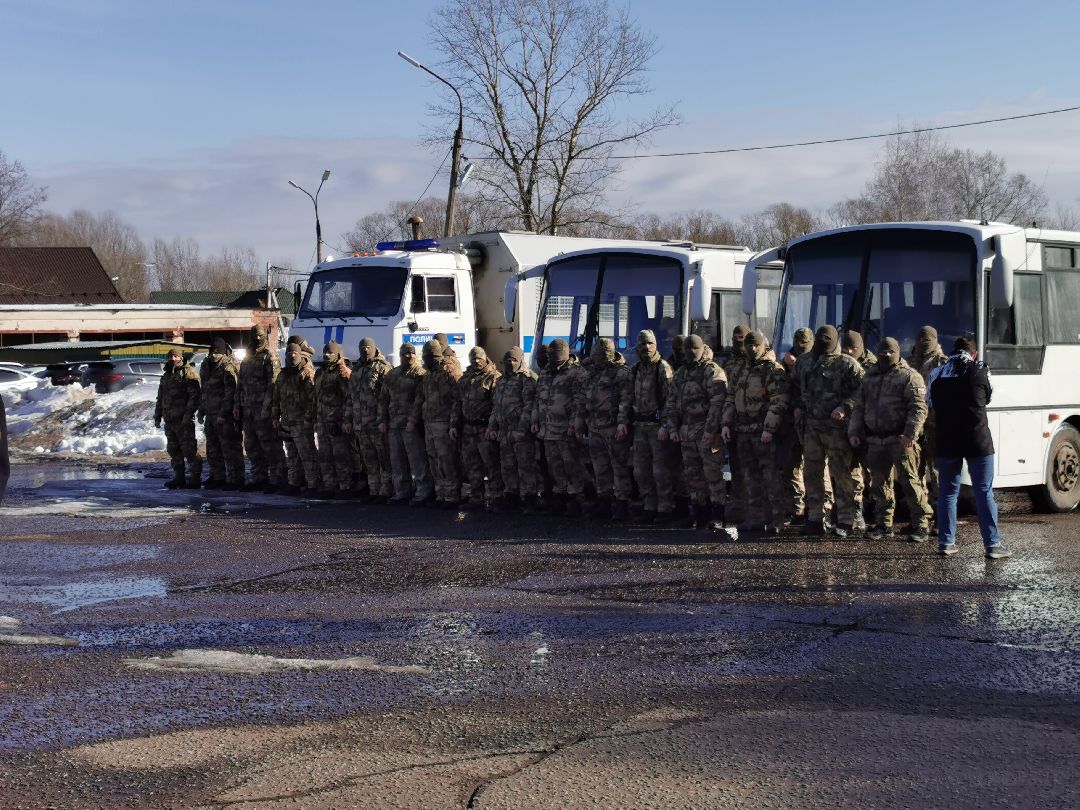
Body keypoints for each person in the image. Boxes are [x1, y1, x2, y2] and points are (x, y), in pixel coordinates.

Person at [927, 335, 1010, 558]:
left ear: (952, 351)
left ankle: (946, 543)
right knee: (983, 492)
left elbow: (930, 403)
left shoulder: (936, 373)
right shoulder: (981, 370)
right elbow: (988, 397)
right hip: (977, 439)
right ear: (974, 353)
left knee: (947, 493)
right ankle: (992, 546)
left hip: (947, 439)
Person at [848, 338, 933, 542]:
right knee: (879, 484)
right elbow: (859, 406)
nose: (886, 355)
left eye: (890, 351)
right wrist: (854, 431)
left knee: (910, 481)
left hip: (901, 439)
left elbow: (919, 408)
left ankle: (920, 523)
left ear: (897, 352)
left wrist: (910, 434)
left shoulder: (910, 377)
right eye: (883, 351)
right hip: (876, 440)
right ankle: (883, 523)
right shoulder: (869, 378)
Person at [791, 325, 865, 537]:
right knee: (812, 474)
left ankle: (846, 520)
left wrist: (846, 406)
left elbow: (862, 390)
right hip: (811, 427)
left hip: (837, 430)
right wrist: (797, 407)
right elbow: (794, 387)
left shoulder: (847, 363)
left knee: (841, 474)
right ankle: (815, 518)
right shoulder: (804, 362)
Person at [721, 330, 789, 537]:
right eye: (748, 345)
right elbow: (731, 397)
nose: (751, 349)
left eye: (755, 345)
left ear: (763, 347)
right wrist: (726, 423)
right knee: (749, 476)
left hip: (762, 431)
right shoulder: (741, 369)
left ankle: (778, 518)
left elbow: (779, 400)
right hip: (743, 430)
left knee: (771, 476)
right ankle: (756, 517)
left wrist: (769, 429)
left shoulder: (773, 370)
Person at [662, 334, 727, 529]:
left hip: (706, 431)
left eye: (694, 350)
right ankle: (700, 513)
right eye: (687, 350)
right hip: (686, 431)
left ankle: (718, 515)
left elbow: (717, 403)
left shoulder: (712, 371)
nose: (690, 354)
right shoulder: (681, 373)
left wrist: (711, 429)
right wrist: (672, 428)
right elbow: (671, 402)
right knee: (692, 475)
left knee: (712, 473)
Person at [619, 329, 676, 524]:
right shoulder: (634, 370)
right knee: (640, 471)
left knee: (660, 470)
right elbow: (626, 399)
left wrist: (666, 424)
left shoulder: (662, 368)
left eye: (650, 343)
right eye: (643, 344)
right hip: (639, 426)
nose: (646, 347)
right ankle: (649, 505)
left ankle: (665, 508)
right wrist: (622, 422)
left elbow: (670, 400)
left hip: (657, 427)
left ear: (656, 345)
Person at [532, 338, 588, 516]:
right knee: (554, 466)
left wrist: (575, 425)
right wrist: (535, 420)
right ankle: (560, 496)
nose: (551, 358)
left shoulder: (577, 373)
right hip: (547, 430)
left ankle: (576, 498)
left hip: (566, 430)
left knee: (571, 465)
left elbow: (580, 402)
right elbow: (538, 399)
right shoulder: (546, 373)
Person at [578, 337, 632, 521]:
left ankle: (622, 503)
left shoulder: (621, 374)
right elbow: (584, 397)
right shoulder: (591, 373)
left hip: (613, 427)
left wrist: (622, 422)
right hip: (594, 426)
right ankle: (604, 500)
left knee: (618, 466)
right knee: (600, 467)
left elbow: (626, 400)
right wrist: (583, 421)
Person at [487, 346, 542, 514]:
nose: (510, 363)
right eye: (508, 360)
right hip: (505, 432)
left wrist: (522, 429)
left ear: (520, 361)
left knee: (525, 466)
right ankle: (512, 496)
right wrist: (492, 426)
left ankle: (530, 498)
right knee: (507, 466)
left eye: (514, 360)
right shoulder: (502, 381)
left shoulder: (527, 379)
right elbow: (496, 407)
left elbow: (529, 406)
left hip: (520, 433)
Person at [379, 343, 432, 505]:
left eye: (411, 353)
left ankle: (423, 492)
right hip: (393, 425)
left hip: (411, 426)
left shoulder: (420, 374)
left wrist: (413, 421)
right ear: (400, 355)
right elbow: (383, 399)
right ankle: (402, 492)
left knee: (417, 462)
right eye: (405, 353)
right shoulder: (392, 375)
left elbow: (420, 400)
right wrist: (381, 420)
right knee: (397, 462)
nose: (408, 356)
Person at [236, 325, 286, 493]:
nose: (257, 339)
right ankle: (259, 478)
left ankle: (278, 479)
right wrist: (237, 405)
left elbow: (273, 385)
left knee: (270, 445)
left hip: (263, 410)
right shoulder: (247, 357)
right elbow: (240, 383)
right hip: (248, 409)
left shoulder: (270, 357)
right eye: (254, 336)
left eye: (260, 335)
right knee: (251, 445)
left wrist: (267, 408)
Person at [452, 346, 503, 510]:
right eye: (473, 358)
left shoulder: (494, 377)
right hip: (468, 428)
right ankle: (477, 497)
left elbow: (498, 405)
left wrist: (493, 427)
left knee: (492, 464)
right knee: (472, 465)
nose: (476, 361)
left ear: (485, 358)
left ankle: (496, 497)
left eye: (479, 358)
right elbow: (457, 403)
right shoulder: (465, 379)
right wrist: (454, 424)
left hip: (485, 429)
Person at [414, 340, 463, 508]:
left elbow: (458, 398)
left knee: (446, 459)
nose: (428, 359)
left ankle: (452, 495)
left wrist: (454, 423)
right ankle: (440, 493)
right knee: (433, 458)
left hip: (444, 422)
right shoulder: (428, 374)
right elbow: (423, 399)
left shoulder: (448, 369)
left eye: (432, 356)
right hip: (429, 422)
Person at [345, 337, 393, 503]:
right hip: (360, 424)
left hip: (376, 423)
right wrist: (348, 420)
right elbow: (350, 397)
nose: (365, 350)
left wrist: (383, 420)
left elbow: (387, 397)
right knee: (368, 460)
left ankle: (386, 491)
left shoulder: (383, 367)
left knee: (383, 459)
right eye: (363, 347)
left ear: (374, 348)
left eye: (368, 347)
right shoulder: (357, 369)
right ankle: (374, 491)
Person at [272, 340, 321, 495]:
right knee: (292, 455)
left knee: (307, 454)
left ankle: (313, 484)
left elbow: (312, 399)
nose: (292, 356)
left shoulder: (307, 373)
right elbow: (276, 397)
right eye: (289, 353)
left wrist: (308, 418)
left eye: (295, 353)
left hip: (301, 422)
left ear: (300, 354)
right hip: (287, 422)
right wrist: (275, 416)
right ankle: (294, 483)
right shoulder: (283, 374)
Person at [778, 327, 815, 522]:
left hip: (812, 424)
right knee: (792, 467)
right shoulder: (786, 361)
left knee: (814, 468)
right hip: (791, 424)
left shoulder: (817, 361)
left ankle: (817, 511)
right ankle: (796, 509)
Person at [198, 338, 244, 490]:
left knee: (229, 447)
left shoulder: (228, 367)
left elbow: (231, 393)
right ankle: (217, 476)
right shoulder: (206, 366)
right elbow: (203, 390)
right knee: (212, 448)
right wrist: (201, 410)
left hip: (225, 415)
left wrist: (224, 413)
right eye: (212, 352)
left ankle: (234, 478)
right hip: (210, 414)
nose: (214, 355)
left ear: (224, 353)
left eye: (218, 352)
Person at [154, 348, 203, 489]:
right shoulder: (166, 376)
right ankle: (179, 477)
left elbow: (194, 396)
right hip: (169, 420)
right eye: (171, 356)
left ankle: (195, 478)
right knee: (173, 449)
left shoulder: (188, 373)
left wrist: (188, 415)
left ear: (181, 357)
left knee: (189, 449)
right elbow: (160, 398)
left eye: (176, 356)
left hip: (183, 419)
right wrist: (157, 416)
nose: (173, 359)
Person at [313, 341, 354, 498]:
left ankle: (345, 486)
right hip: (322, 420)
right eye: (325, 352)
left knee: (340, 455)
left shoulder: (342, 372)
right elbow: (315, 397)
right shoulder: (320, 372)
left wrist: (345, 420)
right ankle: (329, 485)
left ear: (338, 354)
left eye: (330, 353)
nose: (327, 355)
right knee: (324, 454)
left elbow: (348, 398)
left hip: (336, 420)